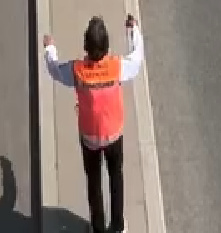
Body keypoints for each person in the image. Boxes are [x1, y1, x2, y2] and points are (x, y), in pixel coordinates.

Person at [43, 13, 145, 233]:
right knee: (116, 177)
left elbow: (54, 70)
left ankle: (98, 227)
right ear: (107, 47)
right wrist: (133, 31)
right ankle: (117, 227)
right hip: (114, 133)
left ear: (85, 47)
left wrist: (49, 49)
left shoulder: (77, 70)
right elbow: (136, 59)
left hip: (89, 136)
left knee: (94, 180)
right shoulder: (117, 67)